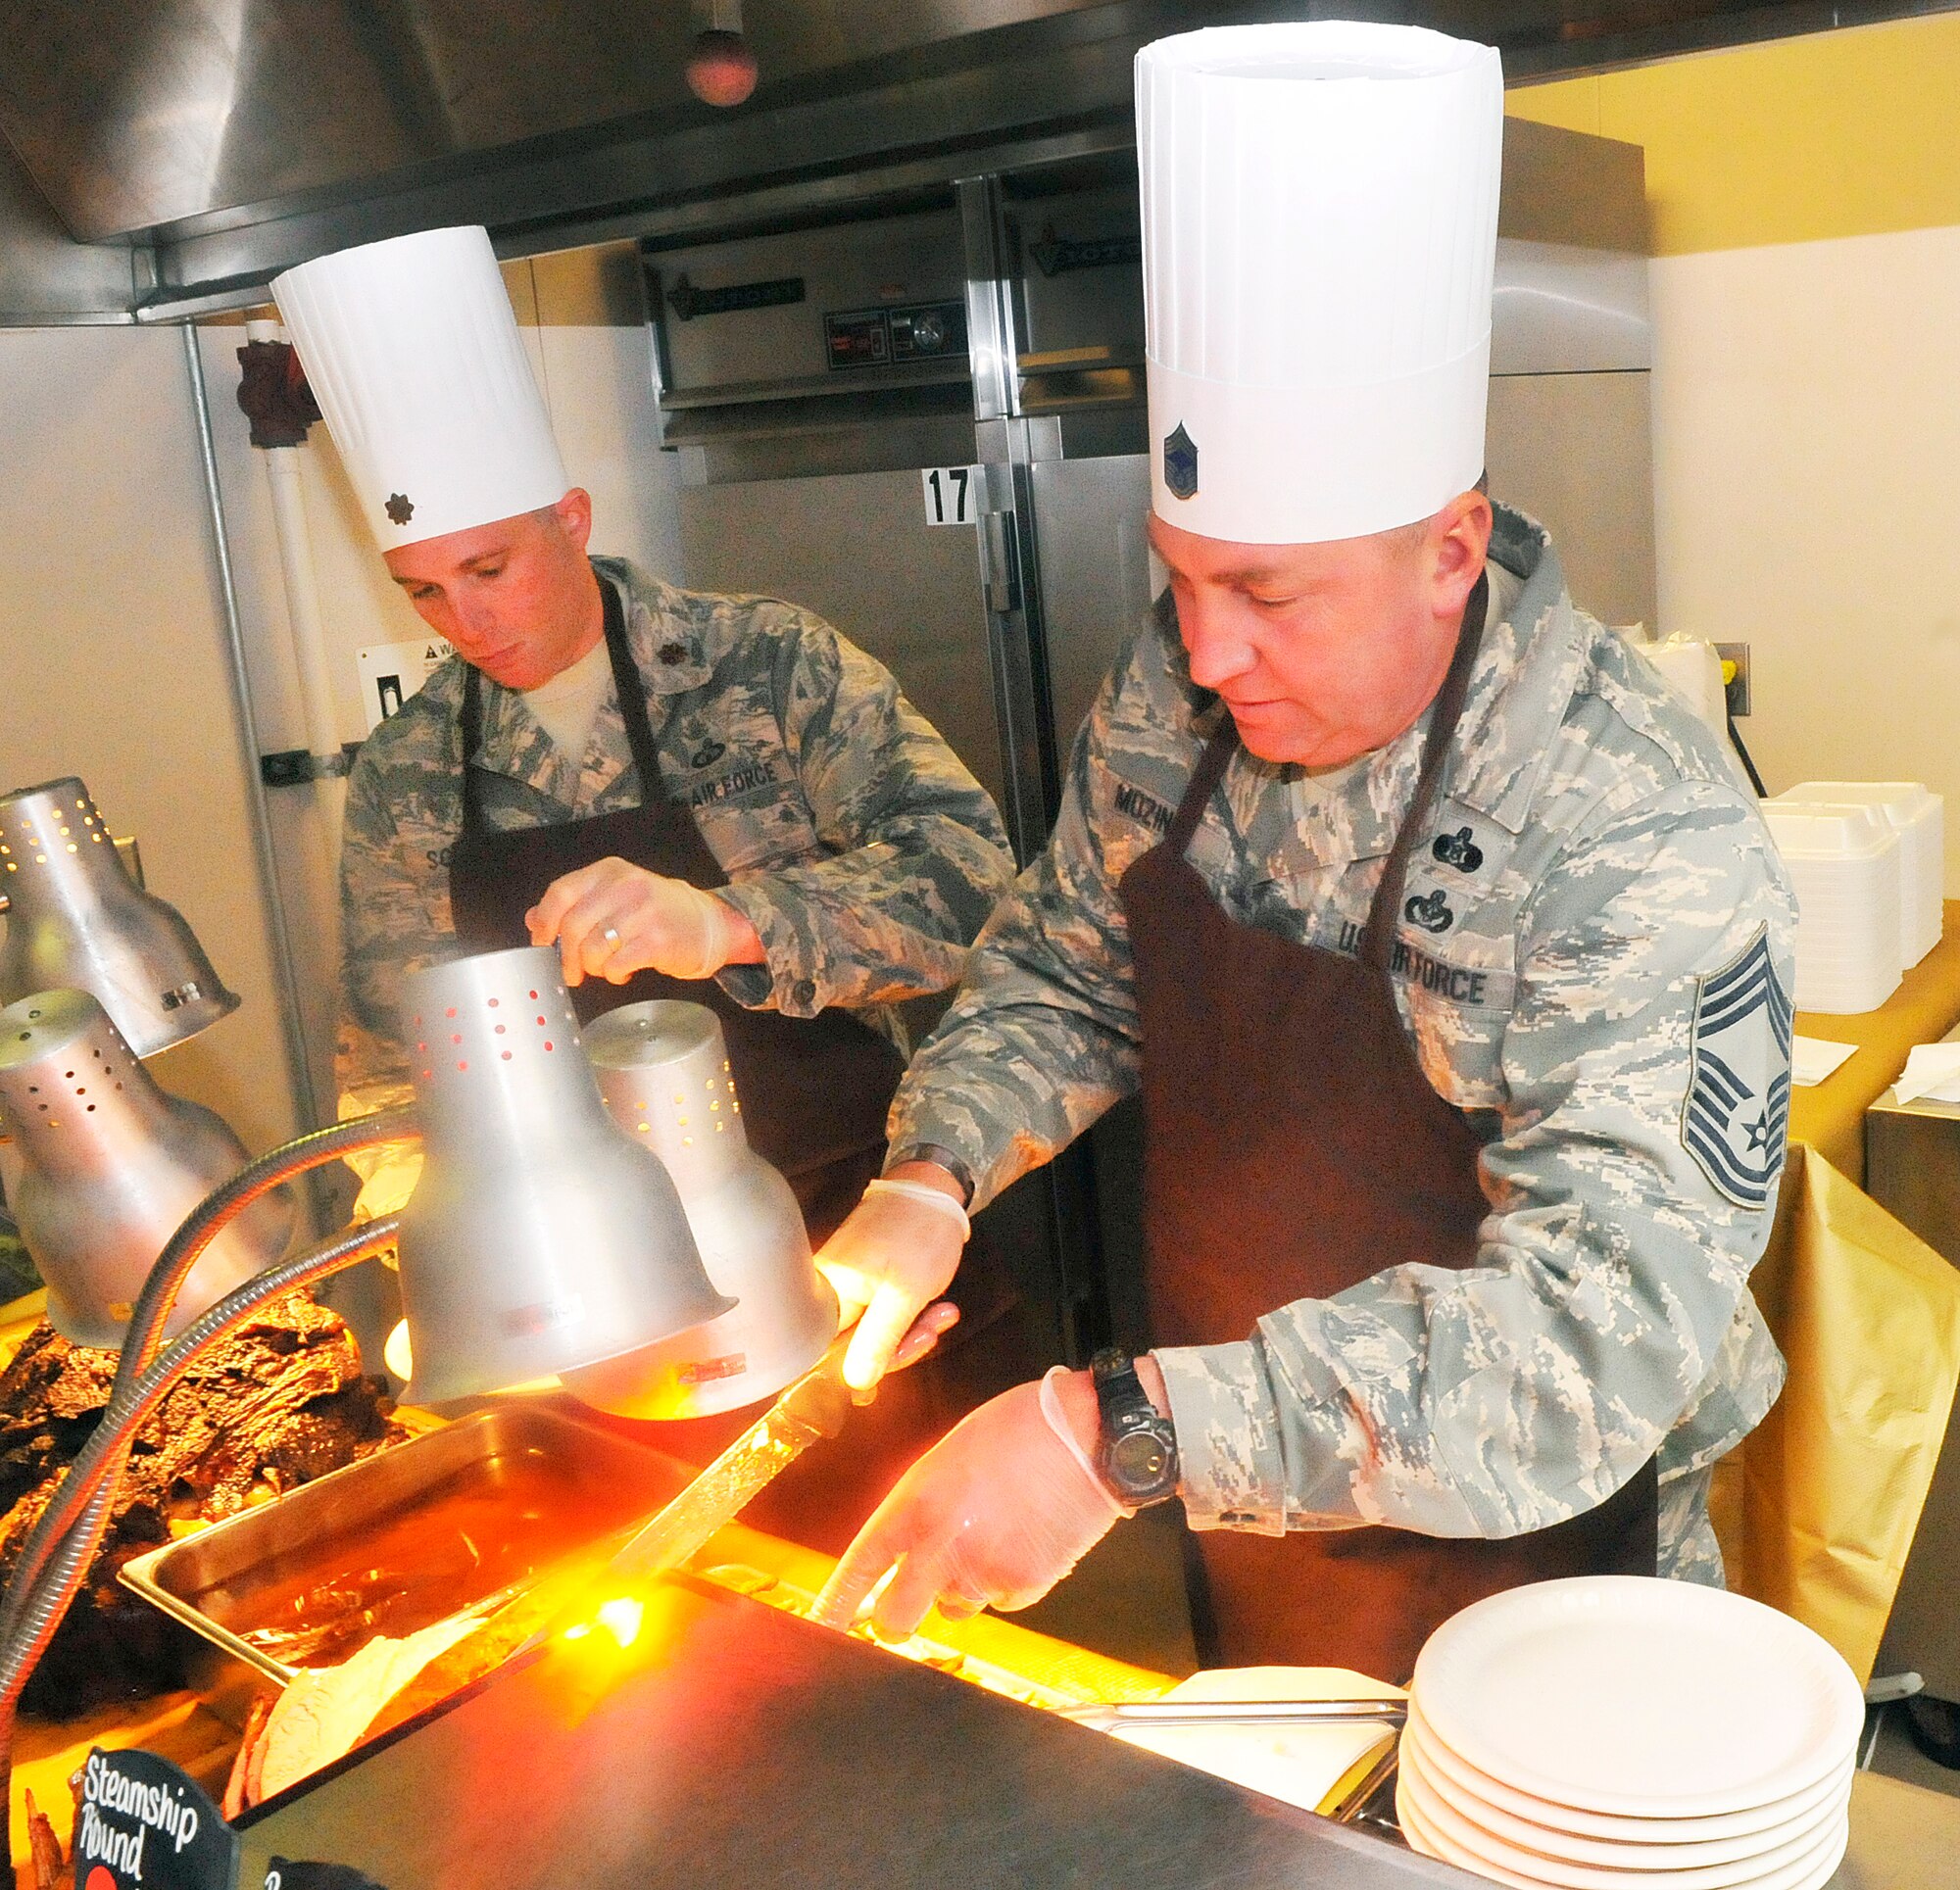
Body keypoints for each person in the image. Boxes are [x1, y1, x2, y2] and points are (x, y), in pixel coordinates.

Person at [810, 21, 1796, 1682]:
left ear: (1450, 550)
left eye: (1267, 594)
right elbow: (1069, 962)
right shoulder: (1174, 688)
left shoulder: (1637, 819)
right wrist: (935, 1169)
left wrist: (1114, 1433)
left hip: (1552, 1580)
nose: (1204, 654)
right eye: (1180, 577)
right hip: (1251, 1526)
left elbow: (1590, 1336)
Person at [273, 226, 1021, 1544]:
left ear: (571, 517)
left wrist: (730, 919)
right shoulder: (408, 772)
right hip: (589, 1317)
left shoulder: (768, 666)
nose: (467, 621)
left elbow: (978, 885)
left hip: (844, 1257)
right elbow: (393, 1067)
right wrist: (431, 1267)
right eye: (425, 593)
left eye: (491, 567)